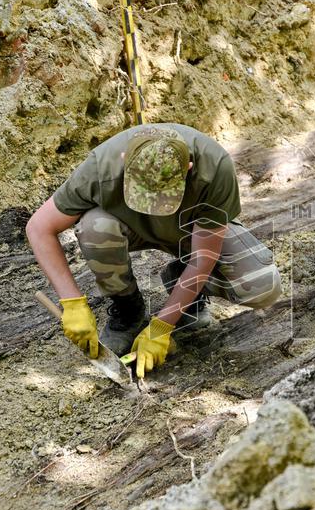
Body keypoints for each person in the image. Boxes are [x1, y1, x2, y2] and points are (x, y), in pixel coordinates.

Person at [26, 123, 282, 378]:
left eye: (164, 195)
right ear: (125, 160)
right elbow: (39, 228)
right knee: (95, 226)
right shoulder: (101, 166)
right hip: (126, 229)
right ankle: (129, 310)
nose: (152, 205)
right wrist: (72, 303)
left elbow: (204, 257)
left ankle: (185, 290)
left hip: (191, 234)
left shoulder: (214, 167)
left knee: (261, 284)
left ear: (188, 169)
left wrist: (162, 327)